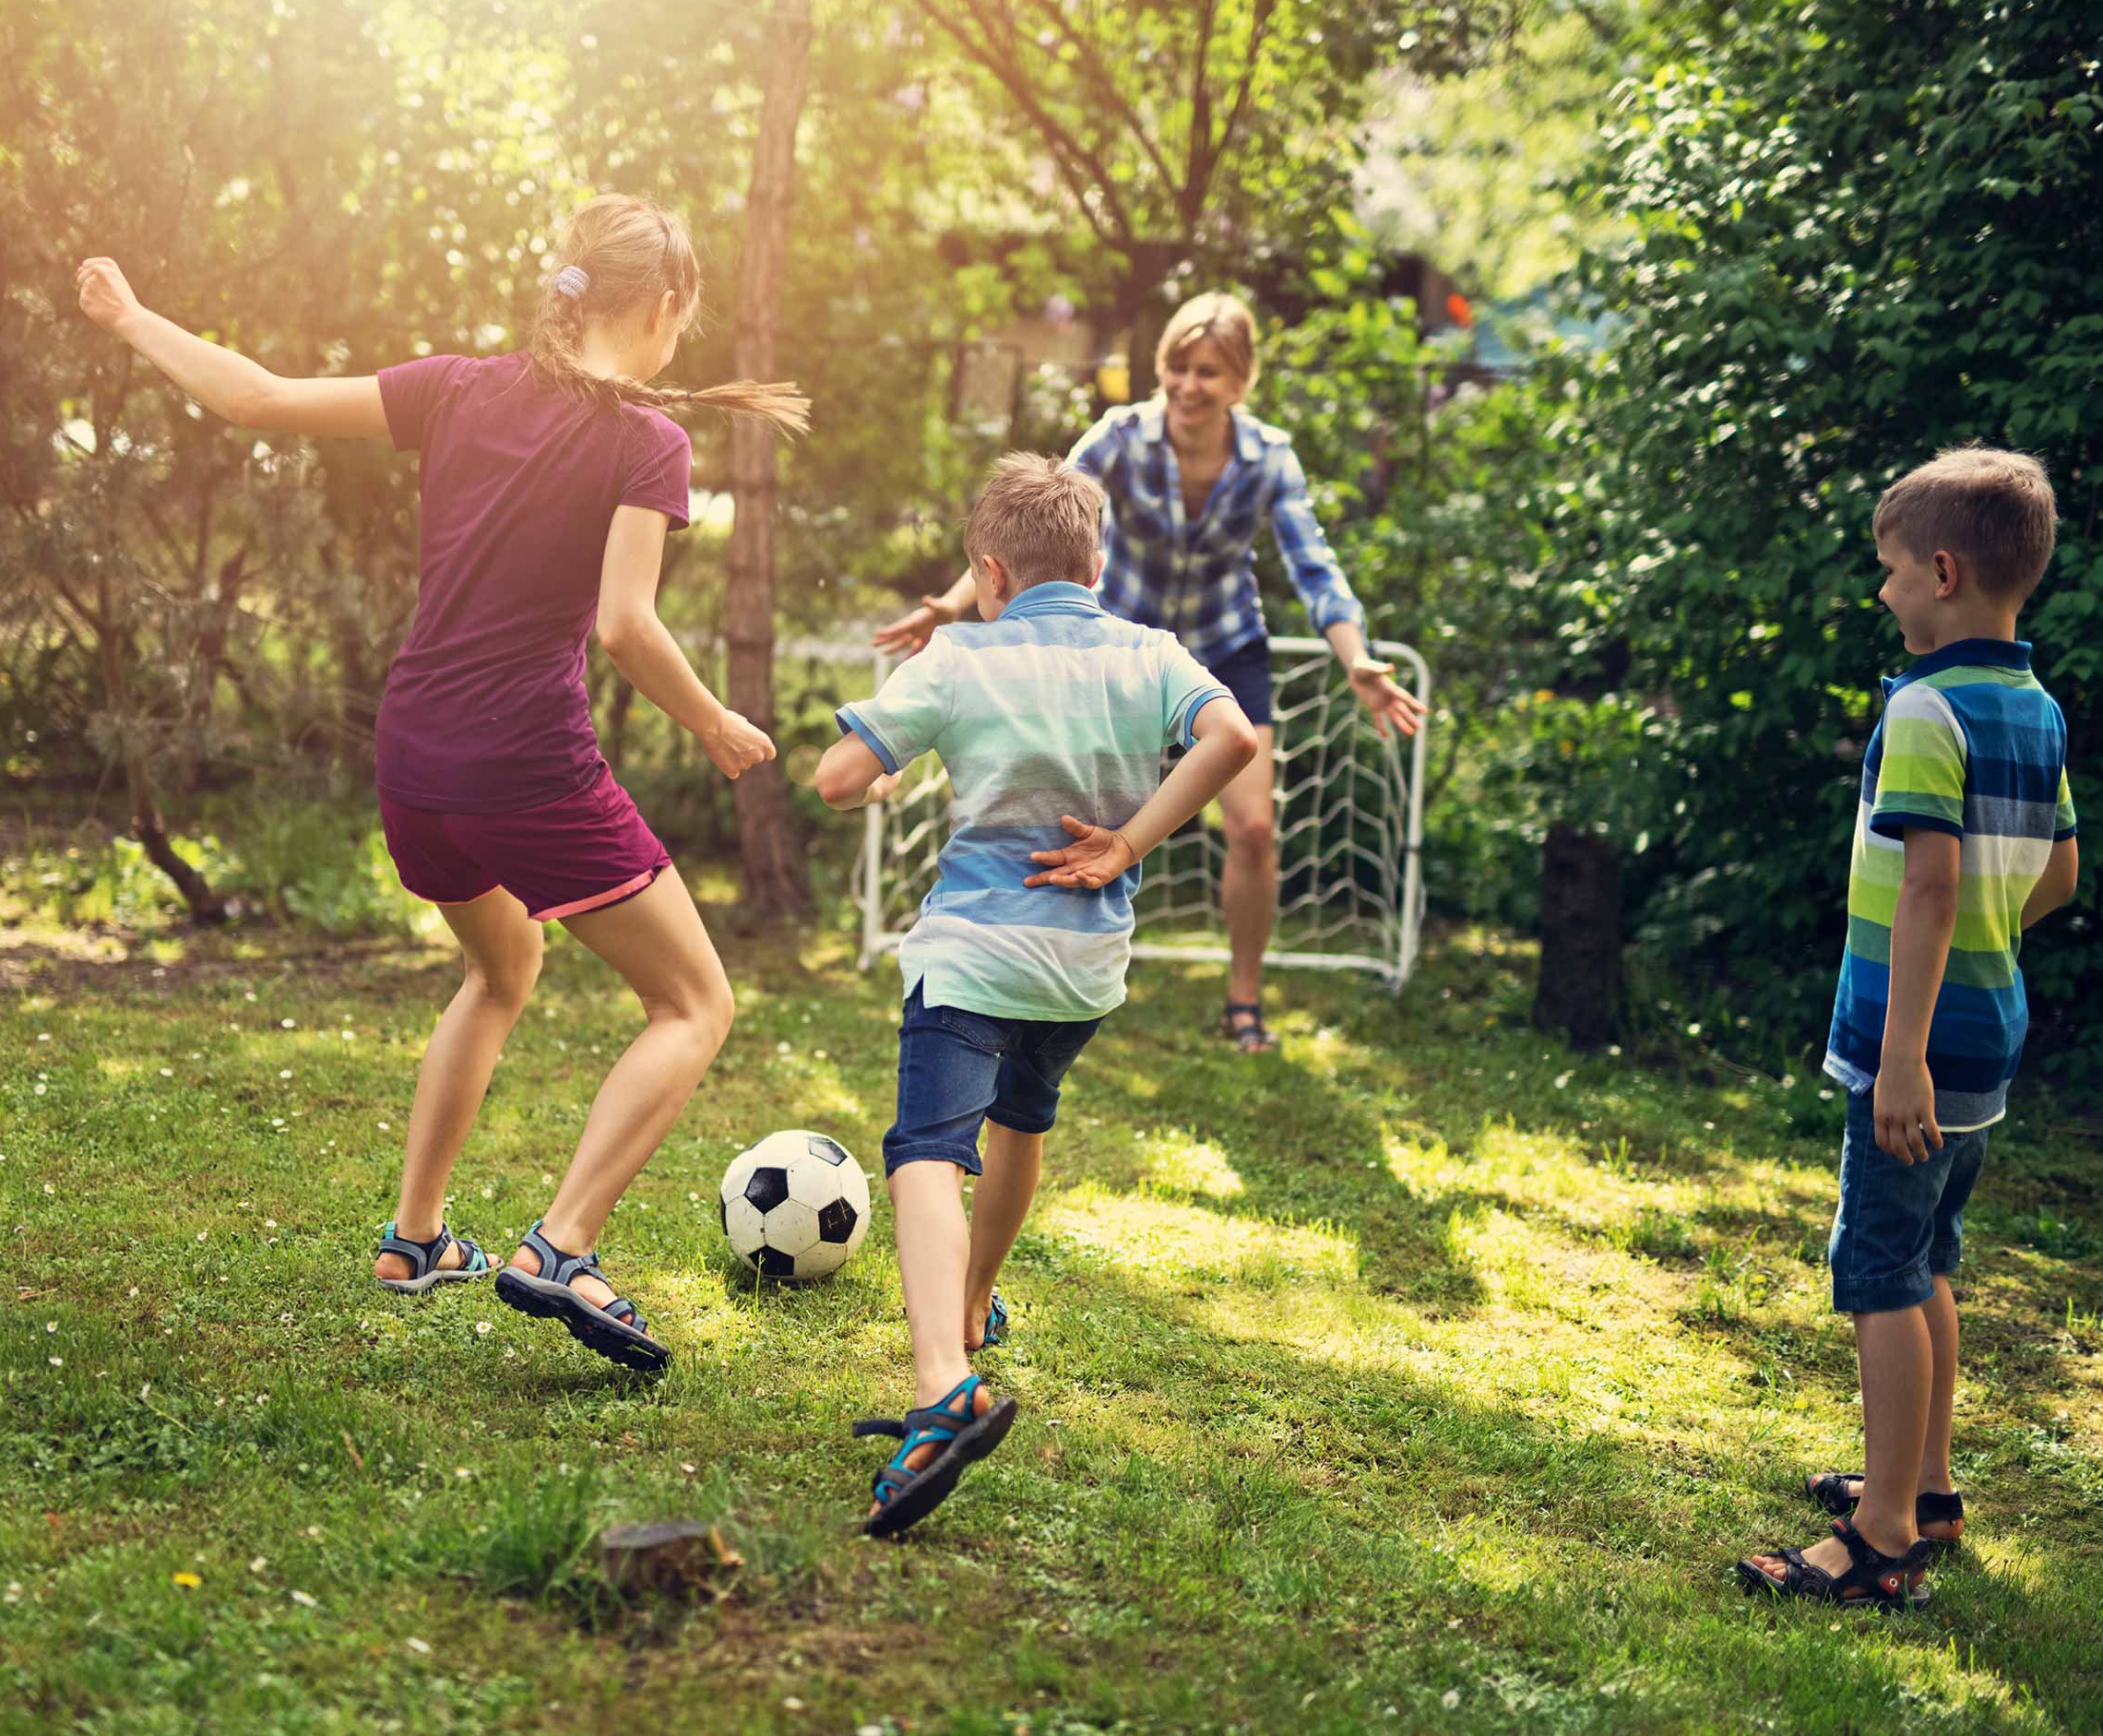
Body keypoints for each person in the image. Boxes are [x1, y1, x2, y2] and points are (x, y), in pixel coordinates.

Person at [76, 195, 808, 1374]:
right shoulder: (646, 441)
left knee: (499, 965)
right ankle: (561, 1246)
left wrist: (134, 319)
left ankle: (415, 1241)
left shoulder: (457, 387)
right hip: (523, 763)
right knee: (695, 1005)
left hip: (414, 755)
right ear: (666, 308)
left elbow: (257, 395)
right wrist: (715, 720)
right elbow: (626, 624)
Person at [816, 454, 1258, 1535]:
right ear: (1097, 560)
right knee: (1022, 1118)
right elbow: (1234, 737)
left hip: (973, 952)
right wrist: (1129, 839)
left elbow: (836, 778)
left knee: (926, 1149)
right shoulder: (1150, 652)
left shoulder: (961, 651)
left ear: (990, 569)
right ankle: (970, 1304)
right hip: (1083, 969)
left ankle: (940, 1387)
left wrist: (879, 766)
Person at [874, 294, 1424, 1054]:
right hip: (1119, 648)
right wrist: (955, 601)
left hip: (1226, 645)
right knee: (1055, 807)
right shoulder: (1122, 437)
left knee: (1256, 827)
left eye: (1208, 371)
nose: (1187, 384)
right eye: (1175, 366)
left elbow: (1314, 567)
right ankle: (1037, 986)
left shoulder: (1269, 456)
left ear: (1240, 380)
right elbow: (1038, 517)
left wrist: (1355, 656)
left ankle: (1243, 999)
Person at [1736, 446, 2078, 1609]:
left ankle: (1880, 1538)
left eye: (1888, 571)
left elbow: (1928, 887)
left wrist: (1899, 1058)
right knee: (1928, 1254)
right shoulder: (2035, 707)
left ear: (1940, 571)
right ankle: (1926, 1485)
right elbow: (2058, 872)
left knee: (1876, 1265)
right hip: (1988, 1028)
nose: (1880, 592)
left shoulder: (1927, 706)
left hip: (1912, 1043)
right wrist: (1988, 941)